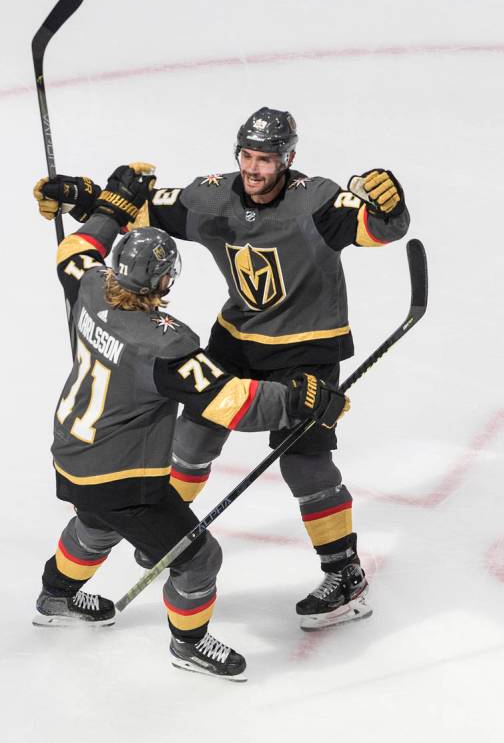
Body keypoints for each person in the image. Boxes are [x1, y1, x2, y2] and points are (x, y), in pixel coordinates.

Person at [34, 107, 410, 630]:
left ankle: (345, 573)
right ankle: (170, 539)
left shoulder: (317, 200)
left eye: (267, 159)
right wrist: (85, 197)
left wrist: (393, 209)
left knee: (305, 464)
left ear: (289, 159)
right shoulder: (212, 195)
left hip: (307, 349)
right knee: (191, 443)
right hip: (235, 340)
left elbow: (378, 228)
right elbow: (139, 210)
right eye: (248, 157)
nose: (255, 169)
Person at [32, 166, 349, 681]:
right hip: (124, 478)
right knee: (199, 558)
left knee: (97, 521)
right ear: (164, 281)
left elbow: (76, 248)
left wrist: (110, 207)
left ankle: (56, 594)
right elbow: (227, 401)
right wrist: (299, 399)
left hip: (72, 456)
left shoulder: (88, 285)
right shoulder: (165, 342)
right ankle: (190, 644)